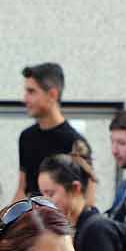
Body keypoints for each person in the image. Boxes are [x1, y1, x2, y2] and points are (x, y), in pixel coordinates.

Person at [16, 62, 90, 197]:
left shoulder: (75, 142)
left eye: (31, 92)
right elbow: (22, 189)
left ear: (52, 95)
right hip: (30, 215)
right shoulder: (26, 137)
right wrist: (7, 217)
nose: (25, 99)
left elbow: (86, 199)